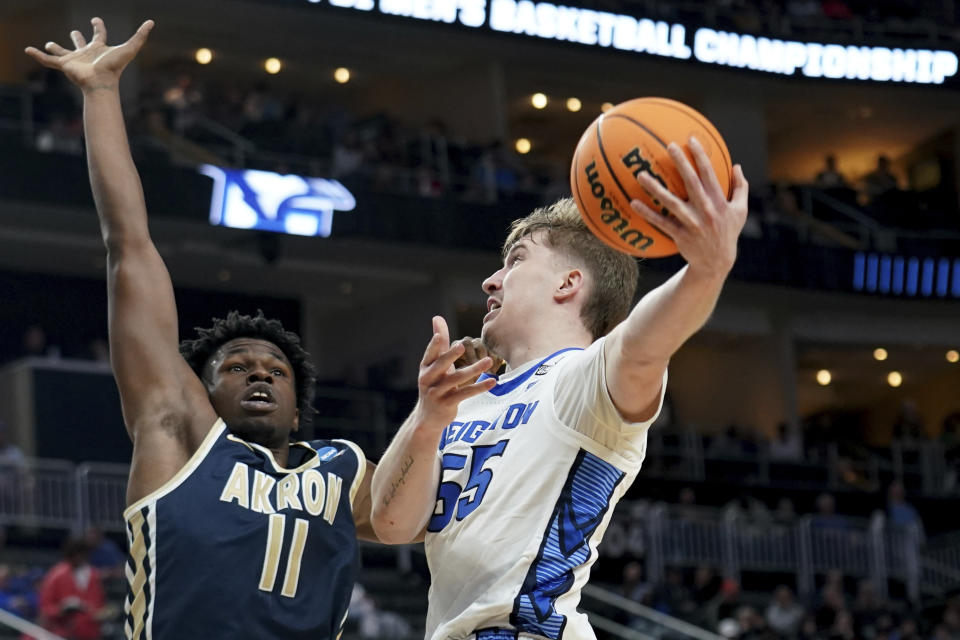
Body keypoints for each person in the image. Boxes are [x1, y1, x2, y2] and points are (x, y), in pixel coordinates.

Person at [25, 19, 427, 639]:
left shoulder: (343, 469)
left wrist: (437, 414)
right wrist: (102, 96)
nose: (261, 372)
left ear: (298, 412)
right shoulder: (178, 430)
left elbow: (418, 516)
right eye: (237, 366)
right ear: (202, 393)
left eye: (277, 369)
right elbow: (129, 246)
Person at [371, 133, 749, 638]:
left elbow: (644, 343)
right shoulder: (461, 402)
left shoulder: (583, 383)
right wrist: (426, 418)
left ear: (567, 283)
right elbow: (390, 525)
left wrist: (706, 270)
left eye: (517, 260)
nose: (491, 281)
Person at [38, 537, 107, 640]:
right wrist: (62, 610)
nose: (80, 557)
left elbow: (99, 606)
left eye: (83, 554)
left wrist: (101, 613)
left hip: (90, 633)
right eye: (77, 554)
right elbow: (45, 609)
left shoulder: (93, 576)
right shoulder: (56, 575)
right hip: (62, 633)